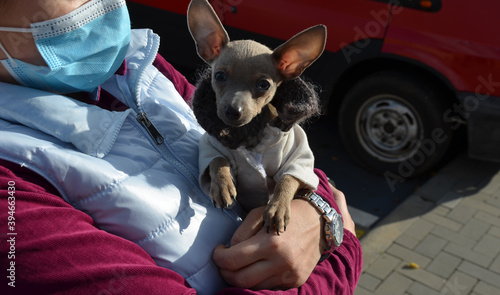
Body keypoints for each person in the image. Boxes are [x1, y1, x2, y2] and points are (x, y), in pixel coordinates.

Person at [0, 0, 362, 294]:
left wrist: (320, 215)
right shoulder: (11, 189)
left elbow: (299, 167)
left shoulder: (138, 67)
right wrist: (342, 247)